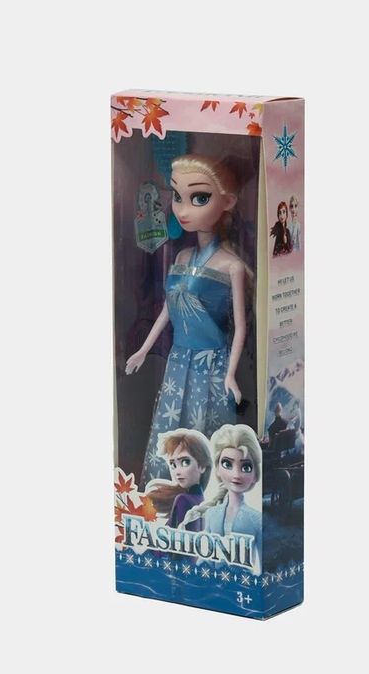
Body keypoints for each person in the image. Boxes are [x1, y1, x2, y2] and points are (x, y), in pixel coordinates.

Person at [125, 155, 251, 489]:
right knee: (172, 426)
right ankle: (165, 491)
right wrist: (143, 350)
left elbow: (240, 326)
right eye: (178, 196)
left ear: (227, 202)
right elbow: (167, 311)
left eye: (199, 198)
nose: (183, 209)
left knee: (204, 428)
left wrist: (230, 374)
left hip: (211, 363)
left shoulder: (232, 266)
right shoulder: (181, 257)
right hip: (178, 360)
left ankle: (208, 496)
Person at [181, 424, 262, 572]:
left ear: (255, 474)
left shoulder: (257, 519)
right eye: (227, 464)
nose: (236, 475)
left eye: (246, 467)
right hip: (212, 581)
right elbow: (206, 555)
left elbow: (264, 565)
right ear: (217, 468)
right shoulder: (212, 514)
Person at [145, 428, 212, 531]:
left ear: (202, 466)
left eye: (185, 462)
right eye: (173, 465)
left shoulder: (183, 499)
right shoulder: (201, 502)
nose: (177, 472)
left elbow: (177, 538)